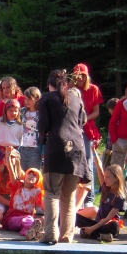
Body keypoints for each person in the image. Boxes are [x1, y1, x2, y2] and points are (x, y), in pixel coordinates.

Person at [38, 69, 90, 244]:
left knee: (52, 193)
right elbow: (82, 121)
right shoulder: (76, 98)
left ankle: (50, 234)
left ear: (49, 84)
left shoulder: (46, 98)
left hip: (57, 147)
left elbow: (43, 125)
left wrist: (41, 140)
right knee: (68, 197)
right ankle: (67, 236)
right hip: (77, 148)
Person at [76, 144, 125, 242]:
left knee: (115, 225)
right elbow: (99, 166)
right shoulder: (105, 188)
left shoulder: (119, 197)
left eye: (108, 177)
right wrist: (93, 151)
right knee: (74, 217)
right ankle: (100, 235)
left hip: (107, 224)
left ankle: (93, 233)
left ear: (116, 178)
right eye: (104, 177)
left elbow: (108, 218)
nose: (105, 179)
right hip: (97, 223)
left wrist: (91, 229)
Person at [73, 63, 103, 207]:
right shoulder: (70, 90)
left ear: (87, 76)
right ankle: (74, 195)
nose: (80, 78)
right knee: (73, 161)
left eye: (83, 75)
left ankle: (89, 198)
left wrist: (84, 119)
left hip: (87, 128)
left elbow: (96, 112)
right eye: (77, 75)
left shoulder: (93, 89)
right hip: (72, 128)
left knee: (88, 161)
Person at [1, 146, 45, 240]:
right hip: (12, 218)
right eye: (29, 173)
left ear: (38, 180)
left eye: (34, 176)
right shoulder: (17, 185)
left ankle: (31, 231)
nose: (31, 176)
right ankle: (30, 232)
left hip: (28, 217)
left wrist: (46, 217)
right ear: (25, 175)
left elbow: (41, 207)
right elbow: (11, 172)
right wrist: (8, 159)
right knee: (27, 220)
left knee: (32, 220)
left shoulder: (37, 191)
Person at [0, 98, 23, 165]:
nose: (13, 113)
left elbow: (21, 141)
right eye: (10, 110)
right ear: (6, 110)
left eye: (16, 111)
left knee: (10, 170)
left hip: (13, 153)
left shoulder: (19, 125)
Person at [19, 87, 42, 171]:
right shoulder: (22, 111)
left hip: (35, 149)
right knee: (21, 175)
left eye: (29, 99)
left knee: (32, 174)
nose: (27, 101)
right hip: (22, 148)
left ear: (37, 99)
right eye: (25, 98)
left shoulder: (41, 113)